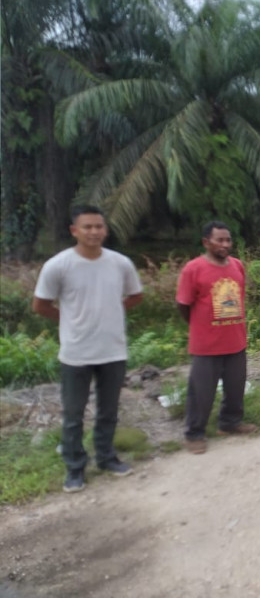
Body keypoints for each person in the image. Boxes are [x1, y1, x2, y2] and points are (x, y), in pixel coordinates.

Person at [33, 205, 143, 493]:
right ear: (74, 231)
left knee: (108, 412)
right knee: (73, 415)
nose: (94, 232)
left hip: (113, 351)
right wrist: (67, 319)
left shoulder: (120, 263)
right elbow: (40, 305)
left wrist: (112, 311)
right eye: (87, 227)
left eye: (99, 227)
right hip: (76, 353)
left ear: (105, 230)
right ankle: (74, 467)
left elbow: (136, 295)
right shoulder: (58, 265)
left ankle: (106, 458)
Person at [176, 221, 256, 454]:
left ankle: (230, 422)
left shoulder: (237, 266)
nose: (225, 244)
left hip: (235, 340)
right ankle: (194, 433)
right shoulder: (194, 269)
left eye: (228, 240)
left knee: (235, 386)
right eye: (219, 240)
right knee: (201, 392)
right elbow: (183, 304)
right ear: (206, 242)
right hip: (206, 345)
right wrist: (199, 325)